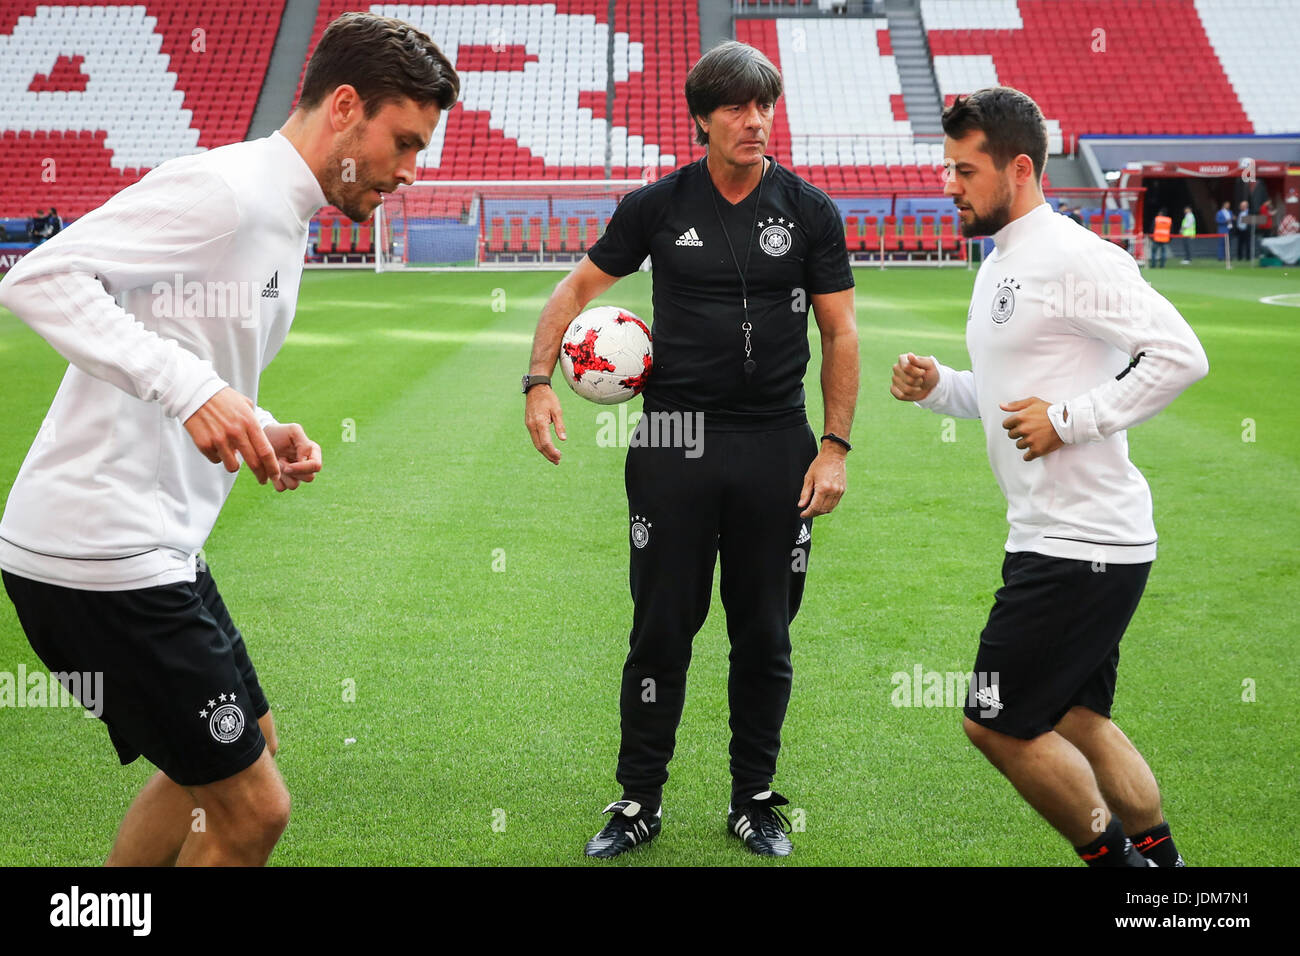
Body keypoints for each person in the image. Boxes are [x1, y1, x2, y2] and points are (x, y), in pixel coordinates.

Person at [0, 12, 458, 866]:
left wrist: (258, 421)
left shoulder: (280, 214)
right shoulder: (228, 192)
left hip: (158, 543)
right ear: (345, 106)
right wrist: (189, 389)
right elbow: (40, 276)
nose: (409, 171)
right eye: (402, 141)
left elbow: (196, 352)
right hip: (99, 553)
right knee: (253, 813)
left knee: (238, 749)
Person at [524, 40, 858, 859]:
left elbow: (840, 329)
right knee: (662, 628)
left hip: (777, 443)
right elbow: (575, 291)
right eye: (738, 109)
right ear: (703, 119)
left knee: (766, 632)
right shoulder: (657, 206)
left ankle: (754, 799)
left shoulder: (809, 211)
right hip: (676, 440)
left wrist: (836, 446)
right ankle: (638, 800)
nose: (756, 122)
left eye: (765, 106)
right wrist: (537, 380)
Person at [890, 86, 1207, 867]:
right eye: (948, 169)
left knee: (993, 721)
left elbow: (1180, 356)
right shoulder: (1004, 258)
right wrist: (940, 386)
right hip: (1064, 535)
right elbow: (1009, 401)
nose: (950, 185)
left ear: (1020, 168)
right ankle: (1167, 879)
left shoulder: (1072, 256)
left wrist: (1071, 421)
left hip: (1080, 542)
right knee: (1073, 717)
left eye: (965, 170)